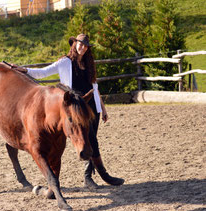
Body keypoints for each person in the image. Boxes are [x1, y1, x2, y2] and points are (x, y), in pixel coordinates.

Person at [11, 34, 124, 188]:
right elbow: (44, 72)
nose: (83, 48)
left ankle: (88, 177)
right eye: (80, 44)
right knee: (89, 140)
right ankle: (103, 175)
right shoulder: (65, 62)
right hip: (74, 109)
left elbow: (94, 87)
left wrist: (102, 108)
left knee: (91, 141)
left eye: (85, 46)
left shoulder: (88, 63)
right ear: (74, 44)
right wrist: (25, 70)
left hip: (91, 108)